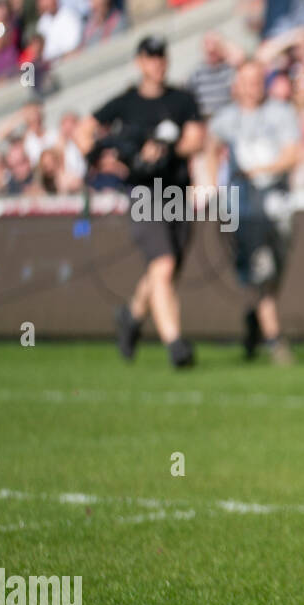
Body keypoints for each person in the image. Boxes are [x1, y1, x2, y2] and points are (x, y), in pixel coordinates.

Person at [76, 35, 205, 367]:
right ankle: (176, 345)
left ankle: (131, 318)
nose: (157, 63)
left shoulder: (181, 100)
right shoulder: (126, 103)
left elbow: (195, 139)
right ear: (139, 62)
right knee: (163, 264)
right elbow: (83, 130)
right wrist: (99, 157)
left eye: (161, 56)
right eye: (150, 57)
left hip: (176, 191)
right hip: (144, 193)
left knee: (165, 269)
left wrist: (163, 149)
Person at [204, 59, 302, 364]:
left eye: (258, 78)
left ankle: (253, 318)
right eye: (246, 79)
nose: (253, 85)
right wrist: (212, 185)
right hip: (244, 210)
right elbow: (210, 146)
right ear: (237, 84)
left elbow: (292, 154)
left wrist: (261, 169)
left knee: (274, 274)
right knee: (262, 270)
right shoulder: (226, 118)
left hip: (277, 208)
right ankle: (275, 342)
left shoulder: (280, 113)